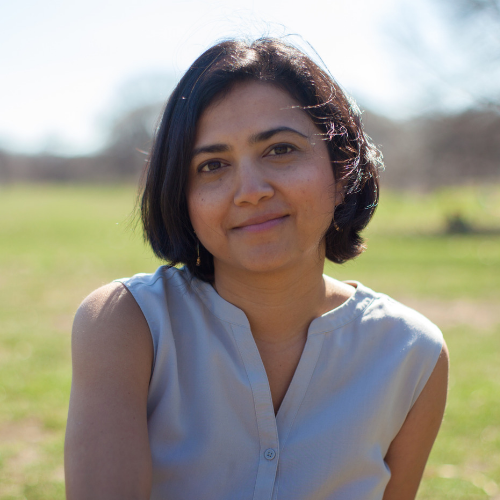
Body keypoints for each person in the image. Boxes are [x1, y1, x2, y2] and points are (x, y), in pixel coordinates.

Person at [64, 38, 448, 500]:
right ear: (181, 197)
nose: (250, 190)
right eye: (212, 165)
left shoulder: (411, 352)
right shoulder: (126, 323)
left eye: (280, 150)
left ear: (343, 167)